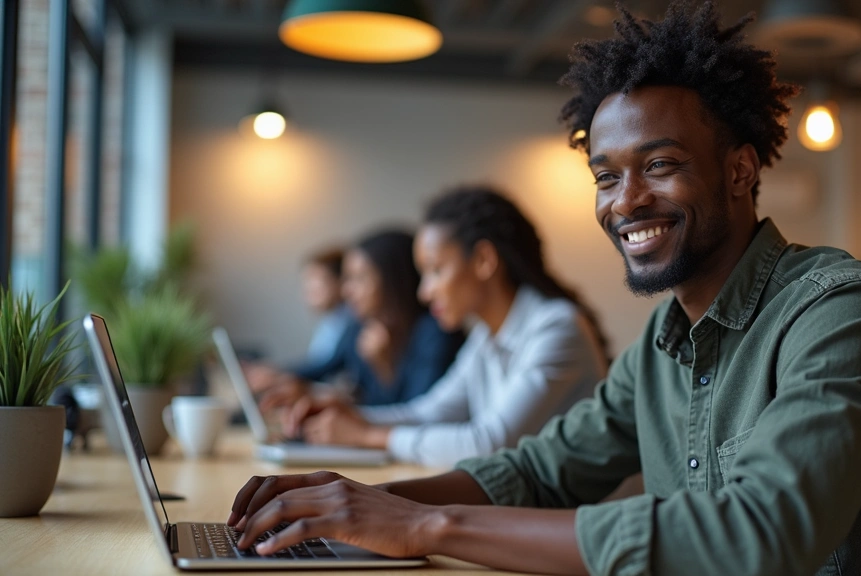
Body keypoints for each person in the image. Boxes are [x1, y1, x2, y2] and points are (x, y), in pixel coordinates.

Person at [226, 3, 861, 575]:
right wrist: (351, 505)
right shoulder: (662, 350)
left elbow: (756, 536)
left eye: (659, 164)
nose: (625, 201)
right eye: (606, 176)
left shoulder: (842, 314)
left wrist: (425, 526)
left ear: (737, 171)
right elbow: (536, 471)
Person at [281, 186, 610, 468]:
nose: (425, 292)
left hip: (586, 529)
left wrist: (366, 435)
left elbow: (489, 443)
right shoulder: (487, 334)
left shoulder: (556, 327)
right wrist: (355, 415)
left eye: (436, 271)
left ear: (483, 260)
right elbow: (430, 411)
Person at [262, 230, 464, 409]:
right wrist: (274, 376)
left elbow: (416, 416)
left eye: (360, 279)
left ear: (393, 280)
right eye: (348, 278)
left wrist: (385, 368)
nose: (346, 290)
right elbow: (322, 366)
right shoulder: (358, 328)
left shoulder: (436, 333)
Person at [242, 248, 357, 394]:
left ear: (340, 282)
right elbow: (315, 365)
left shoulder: (352, 322)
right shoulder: (329, 322)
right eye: (306, 282)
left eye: (314, 281)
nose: (307, 290)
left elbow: (325, 367)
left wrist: (278, 374)